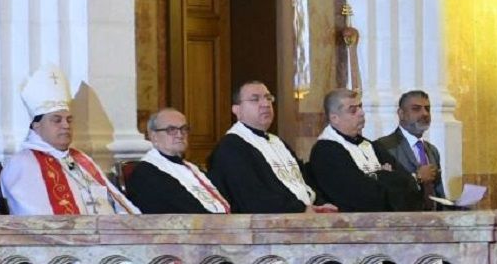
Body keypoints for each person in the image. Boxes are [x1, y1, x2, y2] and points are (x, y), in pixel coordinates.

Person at [1, 65, 139, 215]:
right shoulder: (23, 164)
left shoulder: (80, 158)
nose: (66, 125)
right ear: (36, 125)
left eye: (69, 120)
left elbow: (118, 203)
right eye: (57, 120)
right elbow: (39, 220)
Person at [207, 80, 335, 213]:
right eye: (255, 99)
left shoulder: (278, 142)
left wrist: (321, 204)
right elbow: (254, 198)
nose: (266, 104)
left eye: (268, 98)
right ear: (237, 110)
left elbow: (304, 181)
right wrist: (302, 209)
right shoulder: (231, 148)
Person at [309, 89, 424, 212]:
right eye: (353, 110)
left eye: (360, 107)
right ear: (334, 118)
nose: (362, 113)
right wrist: (384, 175)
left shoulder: (370, 145)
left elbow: (409, 184)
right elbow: (362, 197)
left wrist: (375, 178)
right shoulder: (326, 151)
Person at [125, 108, 230, 214]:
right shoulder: (146, 173)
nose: (180, 135)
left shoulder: (193, 168)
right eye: (171, 129)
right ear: (153, 136)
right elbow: (183, 210)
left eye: (184, 129)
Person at [373, 90, 445, 210]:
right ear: (401, 114)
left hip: (434, 219)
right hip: (403, 219)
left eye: (427, 109)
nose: (425, 113)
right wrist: (417, 177)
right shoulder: (383, 147)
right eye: (416, 109)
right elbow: (385, 191)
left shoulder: (432, 150)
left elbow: (439, 194)